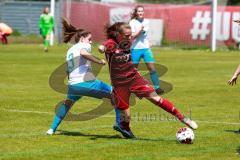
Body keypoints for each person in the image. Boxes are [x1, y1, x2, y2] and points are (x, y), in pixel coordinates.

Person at [99, 22, 198, 139]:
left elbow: (133, 36)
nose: (129, 38)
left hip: (134, 78)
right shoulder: (111, 43)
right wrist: (102, 48)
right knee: (126, 116)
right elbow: (104, 46)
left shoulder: (127, 41)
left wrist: (140, 31)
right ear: (118, 34)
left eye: (130, 35)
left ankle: (183, 118)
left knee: (156, 98)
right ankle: (124, 127)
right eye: (126, 35)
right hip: (119, 84)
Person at [46, 18, 120, 135]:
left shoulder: (70, 50)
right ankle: (119, 123)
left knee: (67, 105)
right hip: (86, 83)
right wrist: (99, 61)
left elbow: (67, 69)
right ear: (82, 38)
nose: (90, 42)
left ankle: (51, 129)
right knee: (116, 94)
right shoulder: (84, 46)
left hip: (73, 85)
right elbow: (84, 53)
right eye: (89, 39)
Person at [129, 5, 164, 94]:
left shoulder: (147, 21)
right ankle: (130, 88)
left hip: (146, 49)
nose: (140, 13)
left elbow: (141, 34)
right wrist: (140, 29)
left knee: (152, 68)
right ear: (136, 13)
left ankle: (157, 88)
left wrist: (147, 40)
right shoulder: (132, 22)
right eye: (139, 11)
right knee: (133, 70)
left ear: (143, 12)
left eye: (142, 11)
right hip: (135, 49)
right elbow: (133, 36)